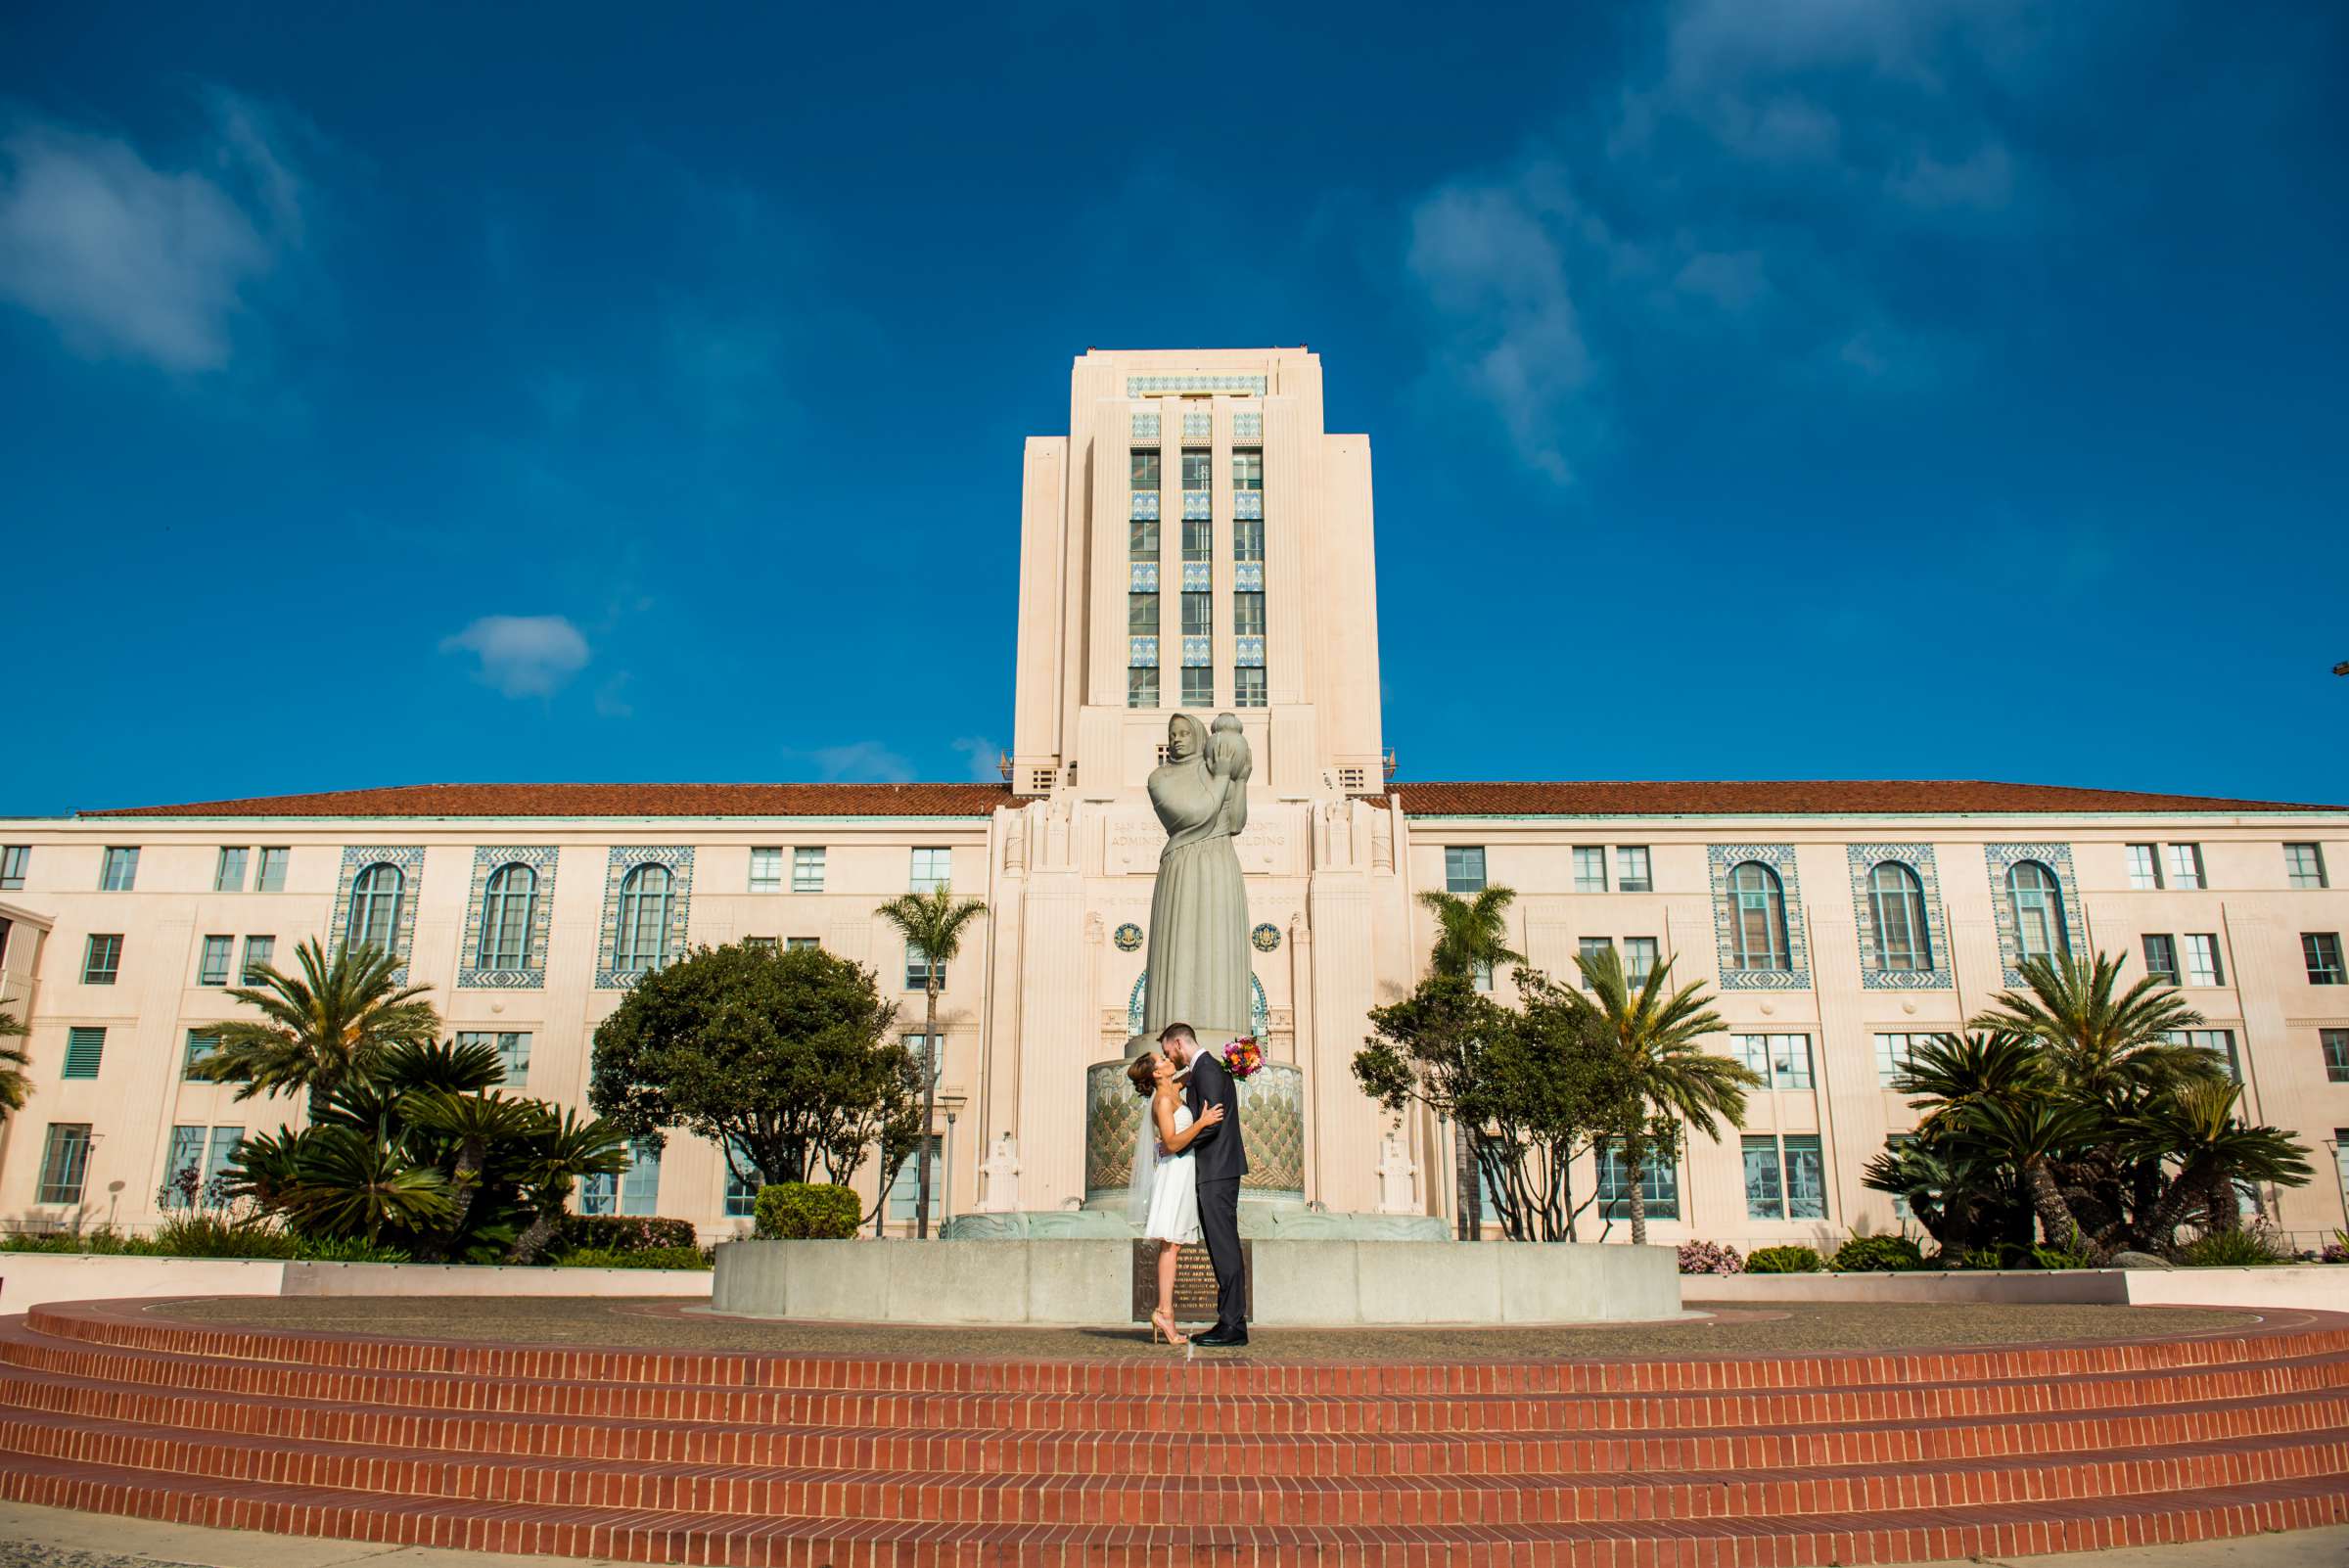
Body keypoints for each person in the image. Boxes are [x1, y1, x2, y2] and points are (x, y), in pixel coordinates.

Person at [1126, 1049, 1226, 1345]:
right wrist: (1202, 1122)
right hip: (1173, 1174)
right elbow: (1170, 1142)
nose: (1169, 1061)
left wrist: (1235, 1059)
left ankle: (1165, 1313)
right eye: (1163, 1060)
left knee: (1175, 1244)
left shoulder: (1174, 1089)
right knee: (1170, 1245)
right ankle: (1163, 1312)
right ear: (1156, 1074)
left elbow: (1193, 1072)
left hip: (1183, 1172)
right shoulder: (1163, 1100)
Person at [1159, 1020, 1248, 1346]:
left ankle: (1233, 1324)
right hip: (1216, 1170)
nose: (1170, 1057)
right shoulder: (1203, 1070)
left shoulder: (1208, 1069)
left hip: (1217, 1170)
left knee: (1224, 1247)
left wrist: (1178, 1145)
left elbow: (1211, 1123)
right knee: (1220, 1246)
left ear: (1180, 1045)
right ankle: (1229, 1320)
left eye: (1169, 1051)